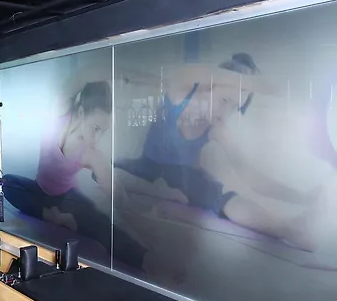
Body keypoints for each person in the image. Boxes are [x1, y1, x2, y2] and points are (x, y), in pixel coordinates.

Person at [116, 53, 323, 252]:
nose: (226, 113)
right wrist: (257, 84)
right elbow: (199, 72)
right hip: (147, 167)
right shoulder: (181, 89)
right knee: (115, 170)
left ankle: (289, 228)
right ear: (208, 86)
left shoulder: (218, 128)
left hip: (183, 178)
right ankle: (159, 191)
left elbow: (250, 176)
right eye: (224, 100)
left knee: (220, 197)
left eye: (235, 107)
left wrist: (301, 197)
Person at [3, 64, 150, 271]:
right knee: (7, 182)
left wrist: (146, 236)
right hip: (39, 190)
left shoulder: (92, 154)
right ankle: (49, 215)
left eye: (103, 131)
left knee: (99, 221)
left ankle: (144, 259)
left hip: (67, 200)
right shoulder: (60, 113)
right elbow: (84, 76)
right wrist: (124, 73)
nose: (97, 138)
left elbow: (118, 197)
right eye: (96, 128)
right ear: (80, 112)